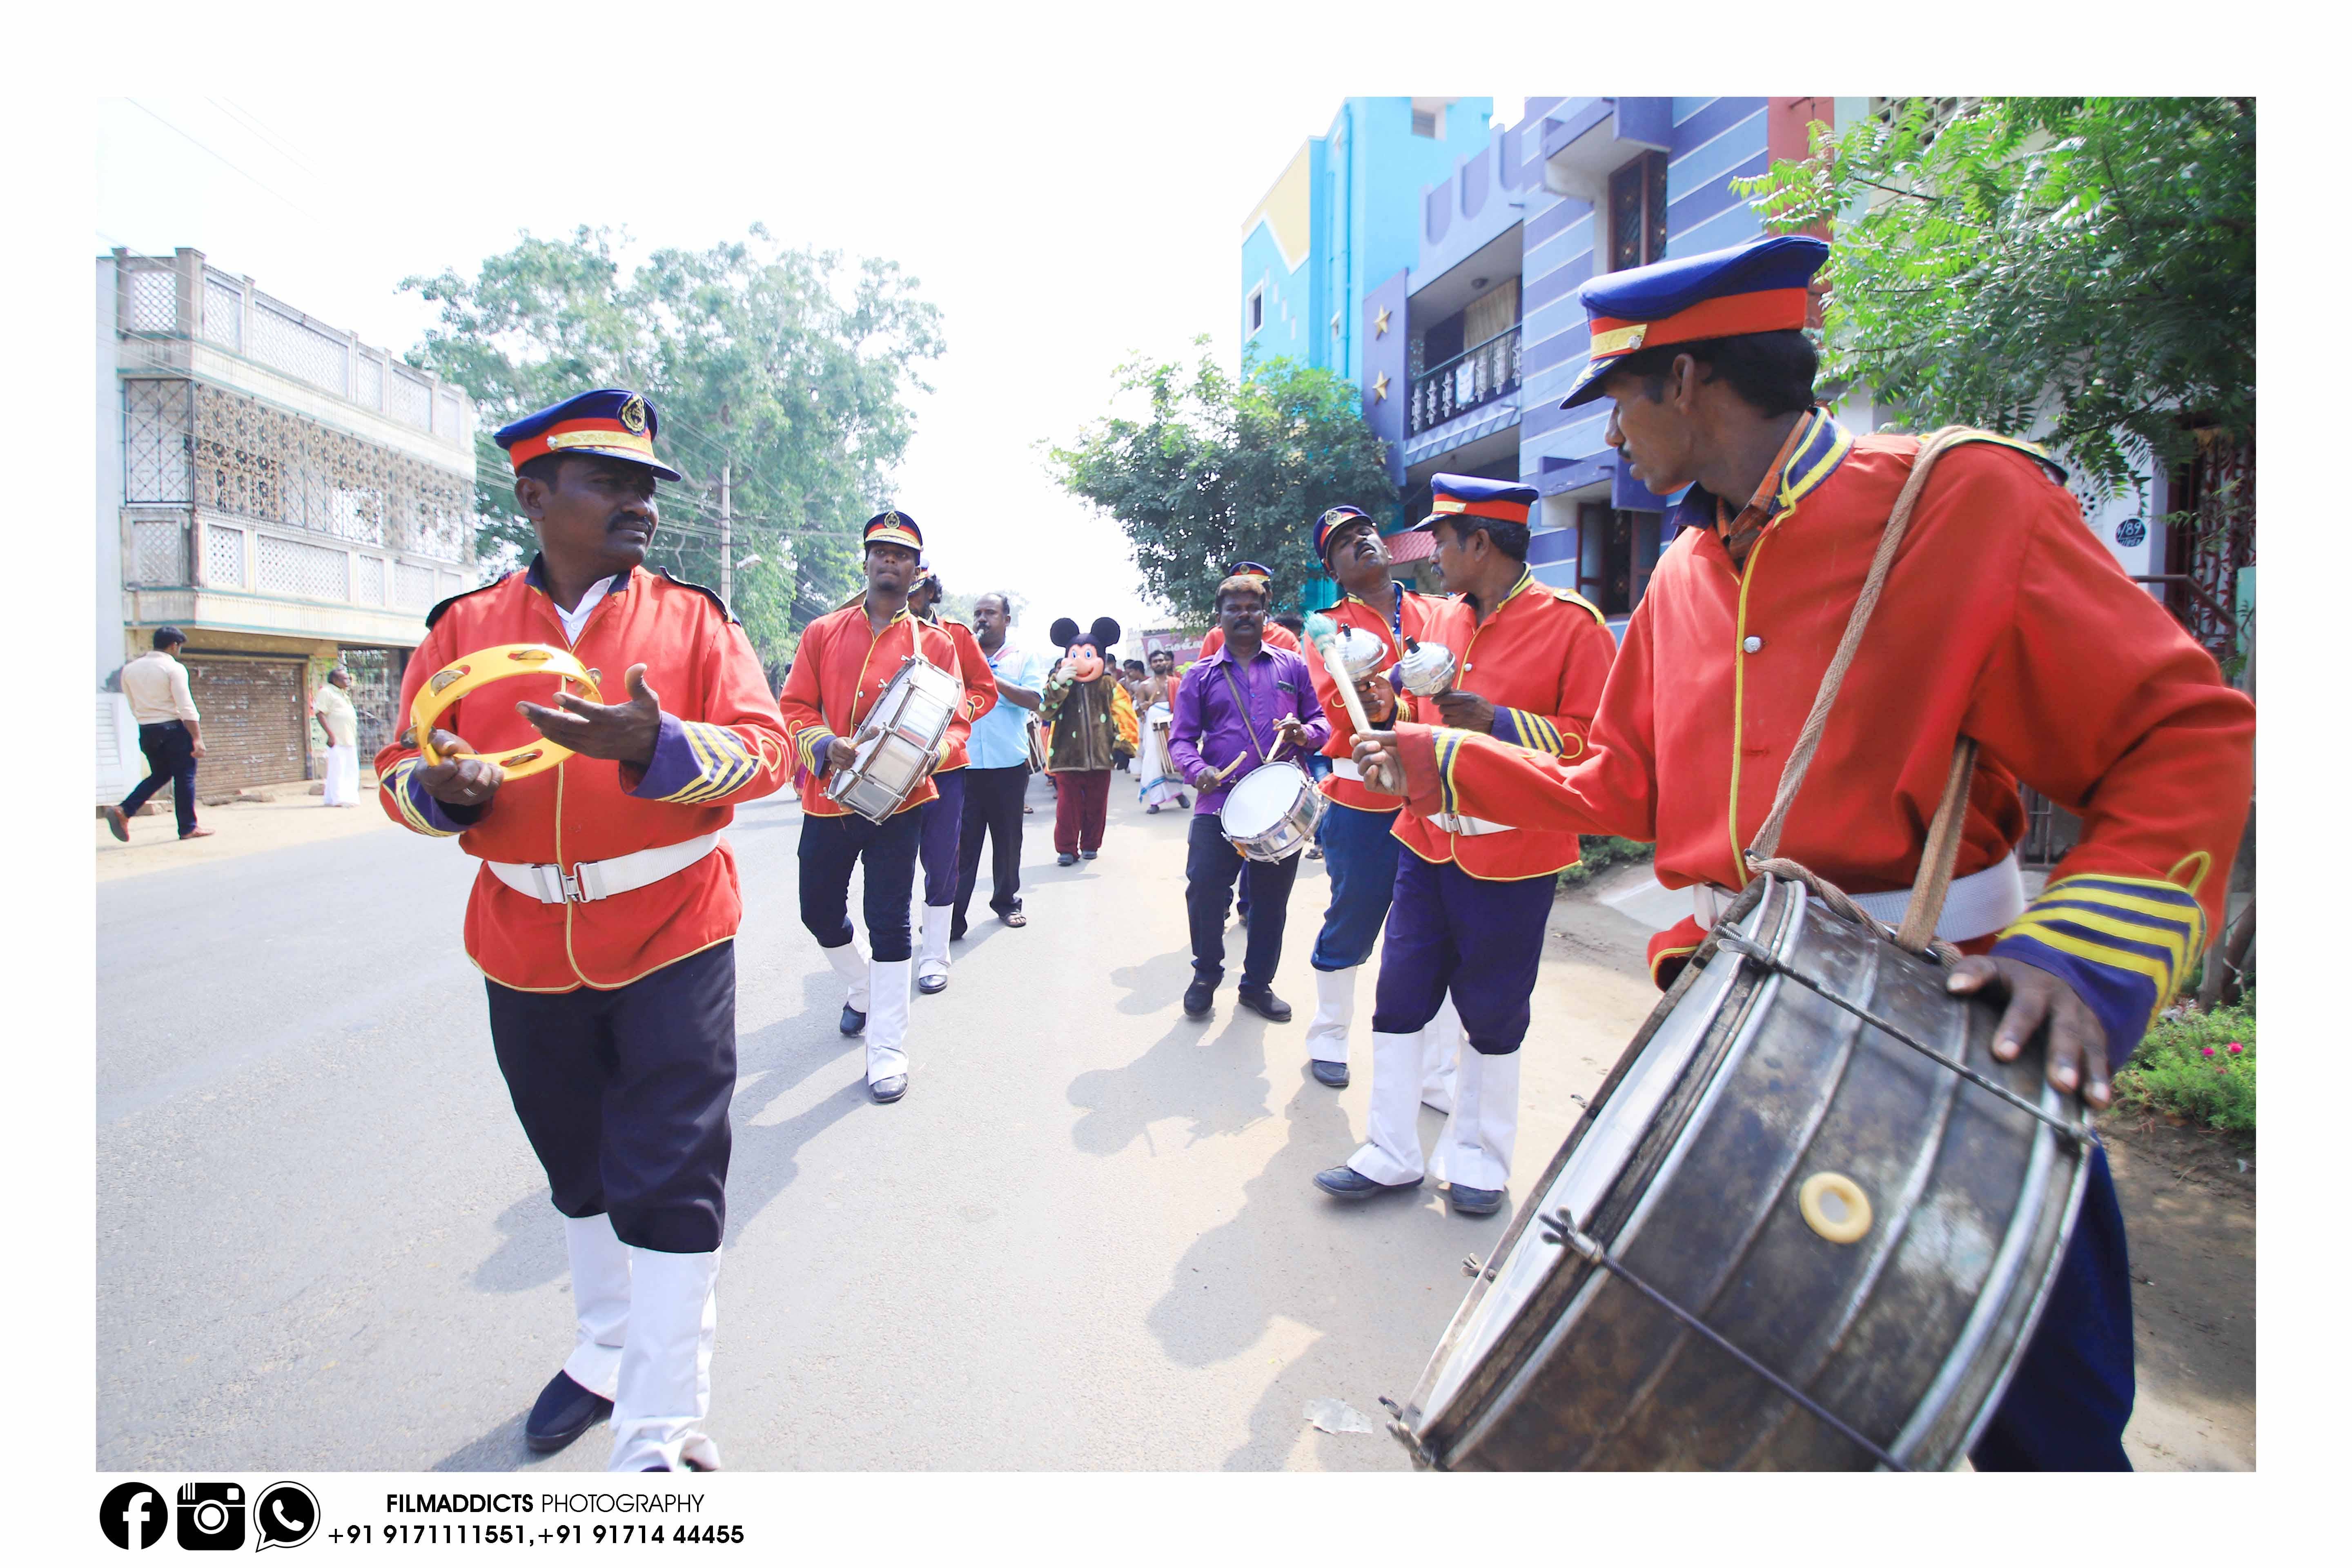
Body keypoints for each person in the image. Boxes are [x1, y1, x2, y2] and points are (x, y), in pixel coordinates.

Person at [1348, 232, 2256, 1469]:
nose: (1610, 435)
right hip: (1745, 1047)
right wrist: (1441, 756)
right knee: (1770, 1418)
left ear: (1684, 383)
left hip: (1951, 1056)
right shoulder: (1676, 572)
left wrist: (2085, 957)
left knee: (2044, 1438)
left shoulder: (1959, 498)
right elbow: (1623, 785)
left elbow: (2182, 736)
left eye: (1618, 399)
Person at [374, 388, 789, 1472]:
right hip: (521, 937)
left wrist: (658, 746)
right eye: (610, 482)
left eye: (647, 487)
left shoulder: (695, 619)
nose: (639, 505)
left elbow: (767, 751)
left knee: (669, 1168)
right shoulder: (464, 628)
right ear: (534, 494)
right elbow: (397, 773)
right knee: (579, 1169)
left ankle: (659, 1424)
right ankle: (605, 1349)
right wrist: (446, 792)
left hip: (674, 926)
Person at [1313, 474, 1615, 1218]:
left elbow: (1599, 752)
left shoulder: (1574, 625)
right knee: (1400, 995)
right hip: (1426, 838)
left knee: (1494, 1008)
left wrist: (1501, 722)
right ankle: (1390, 1150)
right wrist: (1387, 708)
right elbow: (1419, 712)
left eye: (1442, 541)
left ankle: (1479, 1159)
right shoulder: (1442, 619)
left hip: (1514, 855)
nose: (1430, 554)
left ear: (1480, 543)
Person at [779, 511, 972, 1103]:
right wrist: (822, 745)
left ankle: (887, 1048)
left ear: (917, 570)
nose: (890, 563)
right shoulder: (822, 632)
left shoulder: (937, 643)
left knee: (890, 923)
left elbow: (958, 725)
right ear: (865, 561)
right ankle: (862, 988)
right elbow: (793, 709)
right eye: (880, 552)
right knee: (818, 912)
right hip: (828, 800)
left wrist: (926, 757)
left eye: (901, 555)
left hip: (900, 804)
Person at [1294, 507, 1460, 1095]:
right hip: (1363, 798)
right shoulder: (1324, 627)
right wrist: (1396, 703)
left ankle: (1439, 1076)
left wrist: (1403, 704)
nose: (1360, 541)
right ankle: (1330, 1036)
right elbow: (1340, 706)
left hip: (1436, 792)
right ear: (1333, 570)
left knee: (1435, 935)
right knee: (1355, 919)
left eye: (1364, 532)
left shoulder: (1440, 611)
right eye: (1342, 542)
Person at [1167, 574, 1330, 1022]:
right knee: (1203, 888)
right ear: (1218, 618)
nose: (1244, 614)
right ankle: (1205, 975)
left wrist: (1306, 732)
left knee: (1270, 902)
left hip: (1279, 807)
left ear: (1265, 614)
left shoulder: (1292, 667)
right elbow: (1181, 741)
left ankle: (1257, 986)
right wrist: (1198, 772)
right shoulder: (1199, 675)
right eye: (1233, 608)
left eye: (1252, 607)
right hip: (1218, 804)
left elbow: (1323, 722)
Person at [904, 571, 1000, 995]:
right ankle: (892, 948)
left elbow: (985, 689)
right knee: (892, 860)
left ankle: (935, 954)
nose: (911, 598)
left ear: (930, 593)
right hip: (891, 764)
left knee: (943, 858)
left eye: (918, 591)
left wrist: (951, 717)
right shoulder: (875, 631)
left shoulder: (956, 636)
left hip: (944, 763)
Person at [954, 592, 1043, 935]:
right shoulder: (959, 656)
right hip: (964, 765)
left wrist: (988, 676)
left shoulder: (1023, 657)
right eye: (978, 613)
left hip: (1008, 765)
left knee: (1008, 841)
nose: (982, 619)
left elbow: (1034, 700)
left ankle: (1006, 903)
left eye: (990, 613)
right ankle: (953, 917)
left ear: (1007, 619)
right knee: (962, 845)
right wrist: (970, 662)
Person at [105, 626, 213, 842]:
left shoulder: (130, 669)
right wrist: (197, 738)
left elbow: (133, 704)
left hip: (147, 730)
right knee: (185, 777)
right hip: (173, 730)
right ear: (174, 646)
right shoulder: (173, 669)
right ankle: (188, 828)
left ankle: (125, 810)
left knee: (161, 774)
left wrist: (147, 722)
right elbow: (186, 707)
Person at [1038, 616, 1124, 865]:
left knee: (1097, 805)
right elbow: (1045, 710)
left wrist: (1123, 746)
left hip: (1101, 757)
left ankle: (1091, 844)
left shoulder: (1109, 685)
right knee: (1067, 806)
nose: (1081, 662)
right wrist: (1058, 683)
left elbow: (1124, 715)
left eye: (1088, 655)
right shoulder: (1060, 684)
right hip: (1067, 757)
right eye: (1075, 655)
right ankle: (1066, 848)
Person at [1196, 561, 1302, 660]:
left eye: (1255, 592)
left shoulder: (1285, 637)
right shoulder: (1215, 636)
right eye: (1238, 592)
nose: (1244, 613)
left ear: (1268, 596)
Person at [1136, 648, 1190, 813]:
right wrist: (1143, 707)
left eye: (1162, 660)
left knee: (1175, 758)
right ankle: (1155, 801)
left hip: (1174, 727)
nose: (1159, 663)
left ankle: (1179, 793)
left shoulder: (1177, 683)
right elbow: (1138, 711)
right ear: (1151, 665)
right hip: (1153, 731)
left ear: (1167, 662)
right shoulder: (1145, 686)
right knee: (1154, 761)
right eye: (1155, 661)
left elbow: (1186, 705)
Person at [312, 666, 361, 807]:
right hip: (337, 739)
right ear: (335, 680)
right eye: (344, 678)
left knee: (351, 769)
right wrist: (330, 735)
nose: (348, 681)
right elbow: (320, 713)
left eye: (348, 678)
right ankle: (339, 799)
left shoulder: (342, 694)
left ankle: (339, 797)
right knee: (338, 770)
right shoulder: (327, 692)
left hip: (349, 738)